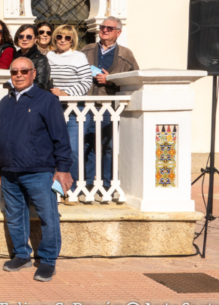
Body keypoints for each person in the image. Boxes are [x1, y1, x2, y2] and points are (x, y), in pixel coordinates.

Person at [0, 57, 73, 282]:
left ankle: (48, 260)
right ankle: (21, 255)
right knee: (15, 216)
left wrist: (63, 168)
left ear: (32, 73)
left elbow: (61, 136)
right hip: (9, 172)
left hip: (39, 171)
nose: (18, 75)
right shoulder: (5, 102)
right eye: (14, 72)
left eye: (23, 71)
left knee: (48, 216)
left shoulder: (47, 100)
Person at [80, 16, 139, 189]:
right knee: (86, 144)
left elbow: (134, 79)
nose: (104, 30)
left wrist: (110, 79)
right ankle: (88, 183)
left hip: (109, 108)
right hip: (87, 106)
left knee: (109, 146)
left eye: (109, 28)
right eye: (103, 27)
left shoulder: (125, 54)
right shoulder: (87, 50)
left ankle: (108, 184)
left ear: (118, 33)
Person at [47, 24, 93, 198]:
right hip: (53, 109)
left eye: (68, 37)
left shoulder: (78, 56)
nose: (63, 40)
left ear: (73, 39)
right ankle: (54, 191)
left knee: (72, 149)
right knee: (52, 149)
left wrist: (66, 93)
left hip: (76, 110)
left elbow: (86, 82)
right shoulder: (48, 56)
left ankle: (69, 190)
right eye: (59, 37)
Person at [13, 25, 50, 90]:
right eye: (21, 36)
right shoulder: (13, 57)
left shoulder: (40, 59)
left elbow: (40, 84)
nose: (24, 39)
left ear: (35, 39)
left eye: (29, 37)